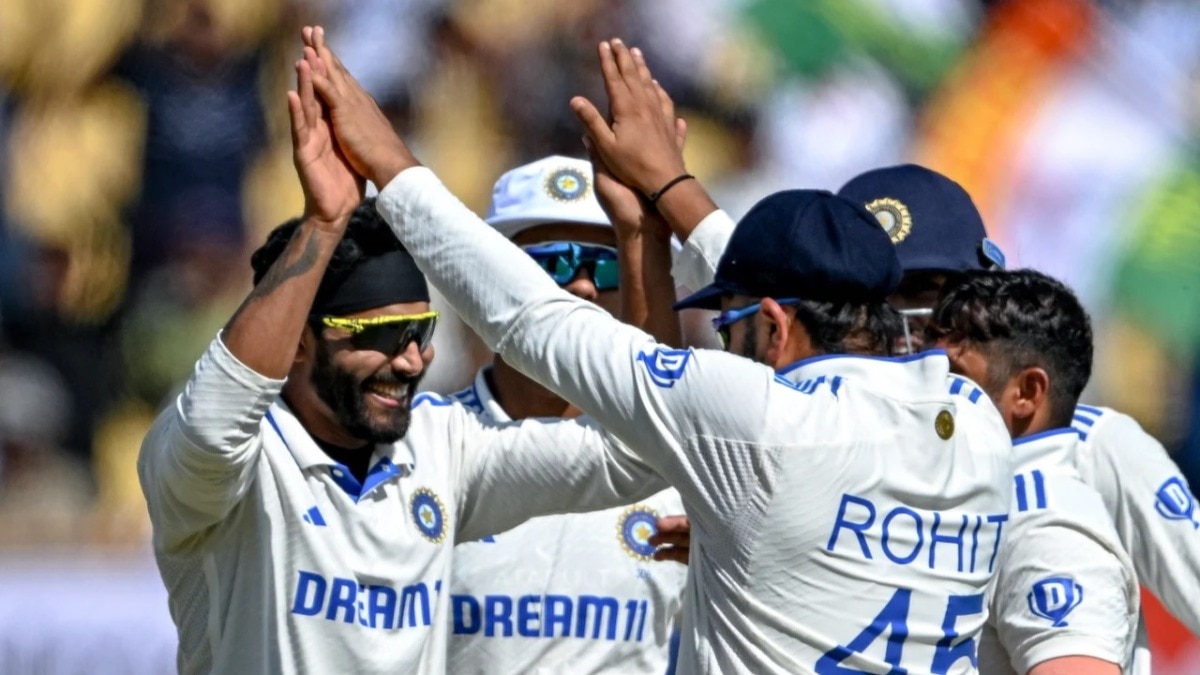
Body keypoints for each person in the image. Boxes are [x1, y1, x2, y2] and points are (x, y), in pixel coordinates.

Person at [302, 28, 1015, 674]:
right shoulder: (973, 423)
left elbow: (535, 324)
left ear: (771, 324)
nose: (725, 345)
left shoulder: (758, 422)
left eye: (729, 325)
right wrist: (672, 190)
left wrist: (390, 165)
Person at [137, 45, 668, 674]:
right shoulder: (239, 465)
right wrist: (324, 221)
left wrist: (650, 229)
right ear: (300, 341)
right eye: (382, 338)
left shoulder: (442, 447)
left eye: (420, 331)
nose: (413, 360)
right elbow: (211, 425)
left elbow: (645, 445)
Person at [658, 157, 1200, 654]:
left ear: (984, 299)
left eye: (923, 292)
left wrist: (675, 191)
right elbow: (760, 293)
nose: (899, 323)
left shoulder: (1095, 448)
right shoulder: (817, 438)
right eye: (873, 298)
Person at [448, 155, 687, 674]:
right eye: (550, 262)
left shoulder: (687, 470)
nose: (581, 287)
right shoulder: (425, 445)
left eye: (605, 266)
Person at [925, 269, 1139, 675]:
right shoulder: (995, 499)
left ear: (1026, 393)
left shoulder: (1047, 537)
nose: (929, 393)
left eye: (954, 377)